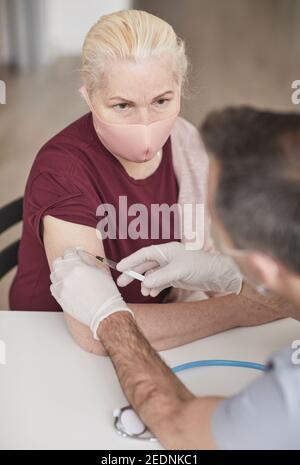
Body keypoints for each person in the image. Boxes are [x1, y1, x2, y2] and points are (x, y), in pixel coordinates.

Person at [10, 10, 287, 355]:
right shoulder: (62, 170)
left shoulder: (187, 145)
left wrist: (235, 282)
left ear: (179, 89)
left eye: (161, 101)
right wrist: (244, 309)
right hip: (52, 347)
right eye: (122, 105)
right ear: (90, 97)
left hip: (161, 327)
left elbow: (227, 262)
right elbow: (92, 330)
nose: (145, 126)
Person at [50, 107, 300, 449]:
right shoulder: (63, 165)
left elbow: (182, 430)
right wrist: (229, 275)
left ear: (265, 264)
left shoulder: (288, 399)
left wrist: (109, 318)